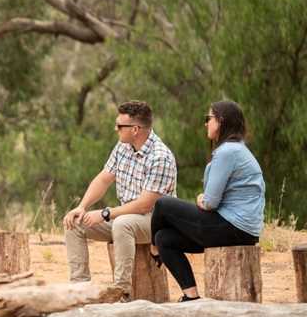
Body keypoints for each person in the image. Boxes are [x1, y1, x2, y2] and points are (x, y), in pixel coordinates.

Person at [151, 101, 265, 302]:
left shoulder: (228, 151)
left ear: (220, 121)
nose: (206, 124)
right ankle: (191, 296)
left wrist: (201, 199)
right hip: (242, 230)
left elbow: (210, 202)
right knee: (165, 238)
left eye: (208, 119)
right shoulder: (237, 149)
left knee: (163, 204)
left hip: (233, 227)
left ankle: (152, 249)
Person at [63, 100, 177, 300]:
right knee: (75, 223)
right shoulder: (123, 146)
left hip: (156, 221)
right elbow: (104, 178)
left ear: (135, 129)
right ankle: (80, 289)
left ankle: (121, 293)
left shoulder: (160, 157)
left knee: (123, 224)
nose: (115, 129)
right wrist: (81, 207)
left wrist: (106, 213)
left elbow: (145, 204)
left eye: (119, 126)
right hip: (126, 215)